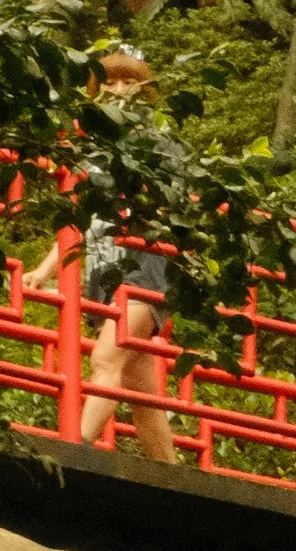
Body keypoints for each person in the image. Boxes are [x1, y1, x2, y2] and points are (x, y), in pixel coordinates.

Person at [22, 48, 182, 466]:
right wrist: (42, 270)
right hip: (106, 272)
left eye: (128, 81)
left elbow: (176, 204)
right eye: (109, 82)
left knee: (106, 358)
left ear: (144, 89)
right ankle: (173, 479)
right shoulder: (91, 149)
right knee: (141, 391)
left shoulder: (159, 142)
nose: (118, 90)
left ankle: (71, 450)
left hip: (146, 269)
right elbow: (81, 222)